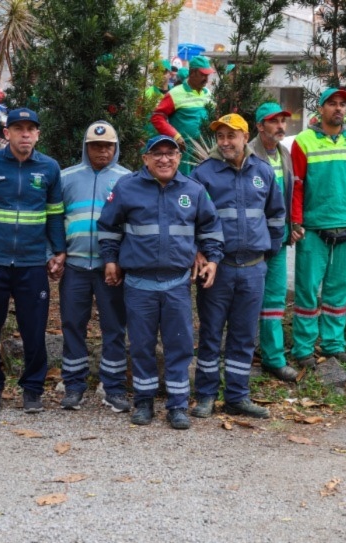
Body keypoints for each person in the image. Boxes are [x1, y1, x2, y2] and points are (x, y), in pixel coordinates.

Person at [97, 134, 222, 430]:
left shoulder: (193, 190)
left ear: (179, 158)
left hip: (177, 284)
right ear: (145, 159)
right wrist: (111, 259)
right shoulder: (127, 188)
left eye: (171, 153)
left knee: (179, 346)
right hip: (139, 284)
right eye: (157, 153)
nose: (164, 159)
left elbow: (210, 226)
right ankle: (143, 401)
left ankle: (178, 406)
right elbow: (107, 226)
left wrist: (213, 258)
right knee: (141, 345)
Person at [0, 108, 65, 414]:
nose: (24, 134)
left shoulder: (49, 168)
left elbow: (55, 213)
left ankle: (32, 390)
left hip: (32, 263)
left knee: (34, 330)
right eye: (17, 128)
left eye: (30, 129)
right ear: (6, 133)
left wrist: (59, 251)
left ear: (37, 134)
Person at [190, 114, 284, 419]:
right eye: (221, 137)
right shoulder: (203, 174)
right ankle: (205, 395)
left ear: (246, 137)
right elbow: (190, 219)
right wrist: (198, 252)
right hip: (219, 268)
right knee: (211, 333)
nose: (226, 142)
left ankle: (237, 396)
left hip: (254, 267)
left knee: (244, 335)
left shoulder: (263, 171)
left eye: (232, 136)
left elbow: (275, 214)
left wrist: (270, 249)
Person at [290, 88, 346, 366]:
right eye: (332, 104)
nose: (338, 109)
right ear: (321, 109)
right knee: (306, 289)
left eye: (342, 105)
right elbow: (297, 186)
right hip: (313, 229)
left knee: (338, 290)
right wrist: (295, 220)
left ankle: (333, 344)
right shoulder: (303, 142)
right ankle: (303, 349)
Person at [57, 121, 131, 412]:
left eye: (108, 146)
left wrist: (122, 261)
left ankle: (112, 387)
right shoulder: (66, 177)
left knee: (114, 327)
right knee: (73, 325)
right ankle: (73, 386)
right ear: (86, 147)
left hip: (110, 268)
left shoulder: (128, 180)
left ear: (116, 148)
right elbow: (54, 219)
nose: (102, 151)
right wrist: (56, 252)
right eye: (96, 146)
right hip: (74, 265)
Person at [248, 102, 300, 382]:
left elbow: (288, 194)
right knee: (246, 299)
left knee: (274, 300)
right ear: (259, 126)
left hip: (278, 240)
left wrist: (292, 226)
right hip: (252, 243)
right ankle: (241, 355)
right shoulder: (246, 155)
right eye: (274, 122)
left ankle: (273, 357)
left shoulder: (284, 154)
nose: (281, 126)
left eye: (283, 121)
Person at [150, 56, 215, 175]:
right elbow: (157, 117)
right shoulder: (175, 93)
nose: (206, 79)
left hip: (204, 152)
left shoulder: (208, 94)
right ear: (192, 73)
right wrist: (175, 136)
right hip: (184, 152)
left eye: (208, 75)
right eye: (203, 75)